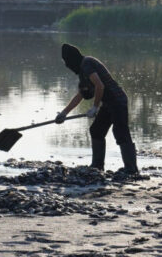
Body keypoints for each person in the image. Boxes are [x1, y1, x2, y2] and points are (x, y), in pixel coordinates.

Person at [55, 43, 138, 175]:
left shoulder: (87, 64)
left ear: (73, 59)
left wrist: (94, 107)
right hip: (107, 103)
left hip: (117, 101)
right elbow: (81, 95)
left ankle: (131, 169)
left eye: (68, 62)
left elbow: (100, 86)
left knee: (120, 132)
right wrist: (64, 113)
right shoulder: (82, 72)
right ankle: (97, 166)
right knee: (97, 130)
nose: (68, 66)